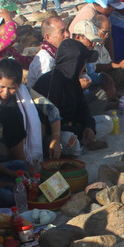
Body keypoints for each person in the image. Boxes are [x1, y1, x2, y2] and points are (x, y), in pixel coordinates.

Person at [33, 19, 102, 150]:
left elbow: (83, 109)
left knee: (105, 123)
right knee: (70, 142)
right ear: (75, 63)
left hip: (72, 127)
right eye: (82, 62)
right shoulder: (51, 83)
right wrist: (76, 129)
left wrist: (89, 127)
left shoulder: (73, 81)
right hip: (53, 134)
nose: (84, 66)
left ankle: (84, 139)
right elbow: (48, 121)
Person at [28, 16, 70, 85]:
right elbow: (46, 89)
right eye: (62, 31)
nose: (67, 34)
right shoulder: (46, 59)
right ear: (48, 37)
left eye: (67, 30)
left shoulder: (57, 53)